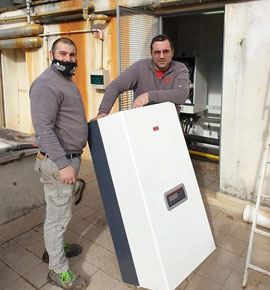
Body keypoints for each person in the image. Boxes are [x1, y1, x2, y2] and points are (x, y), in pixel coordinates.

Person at [30, 38, 88, 290]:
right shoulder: (46, 84)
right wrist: (64, 164)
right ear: (51, 54)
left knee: (58, 213)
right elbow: (43, 128)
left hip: (65, 158)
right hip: (59, 162)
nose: (67, 59)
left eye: (72, 55)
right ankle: (57, 269)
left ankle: (52, 249)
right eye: (62, 54)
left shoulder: (64, 80)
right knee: (58, 218)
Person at [95, 34, 190, 119]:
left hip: (169, 125)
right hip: (142, 125)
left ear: (172, 52)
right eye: (157, 52)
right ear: (151, 54)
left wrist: (149, 96)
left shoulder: (179, 68)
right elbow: (115, 86)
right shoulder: (140, 67)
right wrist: (103, 112)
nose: (161, 56)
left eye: (166, 51)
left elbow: (181, 95)